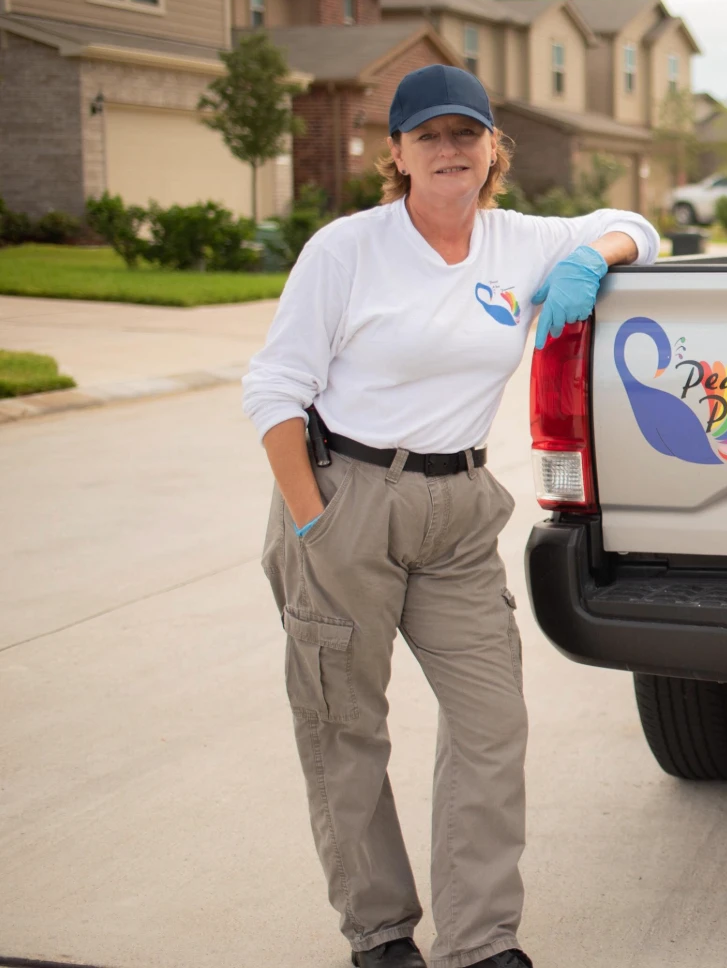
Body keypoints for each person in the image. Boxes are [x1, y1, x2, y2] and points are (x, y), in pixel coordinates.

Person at [242, 64, 656, 968]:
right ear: (395, 152)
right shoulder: (346, 250)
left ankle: (479, 941)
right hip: (346, 496)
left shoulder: (517, 241)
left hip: (460, 512)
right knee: (344, 725)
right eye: (426, 136)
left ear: (491, 149)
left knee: (490, 722)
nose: (448, 150)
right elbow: (274, 389)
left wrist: (595, 257)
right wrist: (314, 522)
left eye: (465, 134)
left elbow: (636, 224)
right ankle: (381, 932)